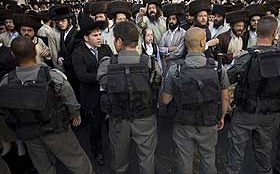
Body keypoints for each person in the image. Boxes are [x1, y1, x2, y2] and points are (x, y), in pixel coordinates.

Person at [0, 36, 94, 174]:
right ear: (35, 52)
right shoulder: (53, 77)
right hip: (56, 129)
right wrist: (75, 114)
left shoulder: (6, 82)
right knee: (76, 161)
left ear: (13, 55)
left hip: (29, 132)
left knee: (43, 167)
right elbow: (69, 98)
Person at [226, 16, 280, 174]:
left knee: (235, 157)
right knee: (264, 155)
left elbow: (227, 78)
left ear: (256, 32)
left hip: (245, 113)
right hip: (270, 114)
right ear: (275, 33)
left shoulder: (247, 57)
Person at [161, 27, 230, 174]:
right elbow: (225, 96)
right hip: (209, 120)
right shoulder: (217, 68)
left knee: (184, 160)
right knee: (208, 158)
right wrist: (222, 116)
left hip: (183, 122)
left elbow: (166, 100)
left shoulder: (175, 70)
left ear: (185, 44)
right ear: (203, 42)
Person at [97, 21, 160, 174]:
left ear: (119, 41)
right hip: (145, 117)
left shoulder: (107, 64)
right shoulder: (150, 63)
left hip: (119, 120)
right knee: (147, 158)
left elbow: (104, 85)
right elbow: (158, 84)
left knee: (119, 160)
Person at [72, 16, 113, 166]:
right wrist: (102, 75)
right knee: (95, 128)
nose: (99, 37)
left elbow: (113, 65)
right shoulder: (78, 53)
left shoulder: (106, 48)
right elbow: (82, 76)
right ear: (86, 37)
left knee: (111, 125)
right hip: (92, 97)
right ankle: (97, 152)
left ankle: (114, 148)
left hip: (108, 95)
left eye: (100, 34)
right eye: (95, 35)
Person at [159, 3, 186, 72]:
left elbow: (180, 51)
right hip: (166, 65)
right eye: (169, 19)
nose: (171, 21)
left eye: (173, 19)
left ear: (177, 20)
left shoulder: (183, 33)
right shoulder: (165, 34)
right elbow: (160, 48)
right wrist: (168, 49)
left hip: (178, 65)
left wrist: (167, 56)